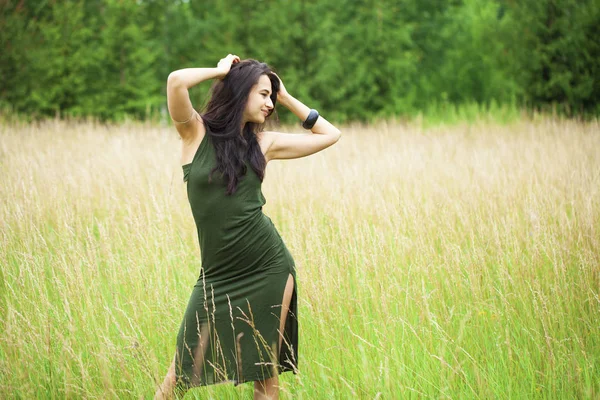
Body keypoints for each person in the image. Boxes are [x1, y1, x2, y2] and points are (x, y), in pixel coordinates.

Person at [155, 54, 341, 400]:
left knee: (264, 375)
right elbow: (175, 81)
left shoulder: (263, 144)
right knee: (180, 372)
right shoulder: (193, 132)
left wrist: (286, 96)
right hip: (216, 275)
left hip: (268, 266)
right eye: (264, 95)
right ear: (240, 92)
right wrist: (220, 71)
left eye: (272, 96)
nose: (270, 104)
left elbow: (330, 134)